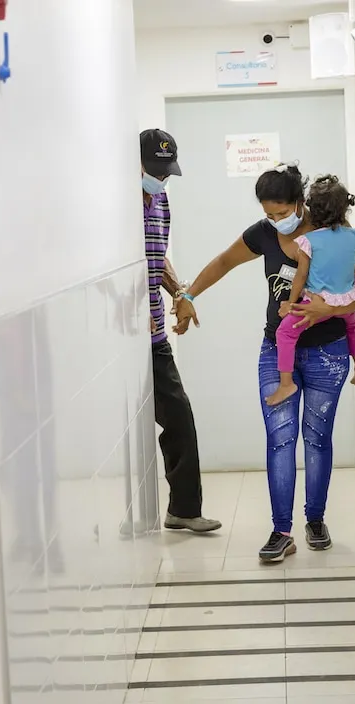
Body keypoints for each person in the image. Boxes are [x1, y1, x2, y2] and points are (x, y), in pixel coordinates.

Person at [173, 164, 355, 563]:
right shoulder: (263, 234)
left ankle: (315, 520)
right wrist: (189, 295)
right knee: (280, 438)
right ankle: (281, 531)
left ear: (301, 204)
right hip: (277, 349)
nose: (275, 221)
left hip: (328, 351)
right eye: (269, 214)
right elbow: (222, 262)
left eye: (282, 213)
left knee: (317, 438)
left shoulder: (331, 233)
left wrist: (327, 311)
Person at [139, 129, 221, 534]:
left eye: (165, 171)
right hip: (119, 340)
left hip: (153, 337)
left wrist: (181, 293)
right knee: (131, 426)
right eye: (153, 171)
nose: (160, 179)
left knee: (178, 415)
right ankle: (135, 515)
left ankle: (184, 510)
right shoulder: (117, 205)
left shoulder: (160, 200)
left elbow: (158, 257)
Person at [268, 174, 355, 406]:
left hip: (314, 303)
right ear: (344, 210)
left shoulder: (308, 241)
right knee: (353, 327)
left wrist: (290, 304)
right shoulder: (353, 236)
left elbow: (300, 277)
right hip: (344, 302)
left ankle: (286, 385)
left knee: (285, 333)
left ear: (311, 208)